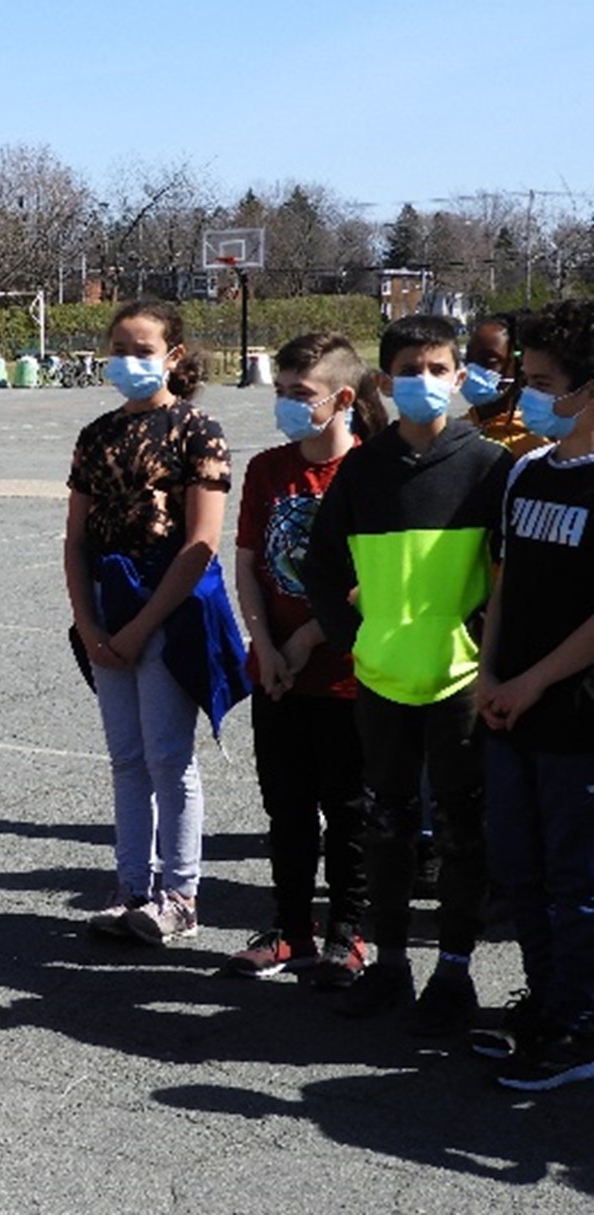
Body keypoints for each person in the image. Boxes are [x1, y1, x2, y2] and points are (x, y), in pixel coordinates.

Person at [301, 313, 514, 1035]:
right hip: (382, 678)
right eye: (409, 371)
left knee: (462, 830)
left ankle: (454, 970)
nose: (425, 381)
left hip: (459, 681)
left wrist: (485, 648)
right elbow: (321, 566)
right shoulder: (363, 469)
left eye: (438, 369)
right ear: (384, 383)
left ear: (458, 377)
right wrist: (355, 639)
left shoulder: (489, 466)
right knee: (385, 826)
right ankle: (389, 964)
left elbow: (513, 574)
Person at [65, 300, 243, 946]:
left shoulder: (197, 429)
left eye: (143, 350)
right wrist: (88, 624)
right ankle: (131, 887)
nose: (128, 361)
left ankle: (181, 893)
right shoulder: (96, 435)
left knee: (169, 755)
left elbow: (203, 540)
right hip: (108, 605)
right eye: (119, 349)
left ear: (173, 356)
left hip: (167, 603)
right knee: (126, 757)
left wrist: (144, 627)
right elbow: (76, 540)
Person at [224, 333, 369, 986]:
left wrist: (307, 639)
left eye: (300, 393)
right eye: (280, 391)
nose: (286, 403)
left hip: (346, 677)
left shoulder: (368, 472)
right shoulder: (267, 470)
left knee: (349, 810)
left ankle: (348, 931)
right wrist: (265, 645)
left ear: (342, 399)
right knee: (286, 807)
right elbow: (249, 564)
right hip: (277, 675)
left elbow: (368, 581)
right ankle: (291, 929)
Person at [476, 298, 594, 1090]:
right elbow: (505, 585)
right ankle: (545, 1000)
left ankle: (579, 1023)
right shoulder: (526, 471)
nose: (528, 397)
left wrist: (533, 680)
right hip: (509, 705)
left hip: (574, 715)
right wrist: (490, 675)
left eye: (547, 383)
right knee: (520, 867)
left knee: (575, 879)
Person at [462, 313, 547, 457]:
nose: (472, 368)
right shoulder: (454, 431)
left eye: (489, 361)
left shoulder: (534, 444)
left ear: (519, 365)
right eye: (469, 358)